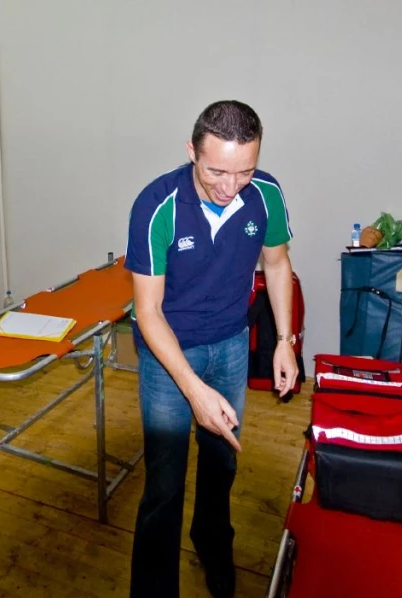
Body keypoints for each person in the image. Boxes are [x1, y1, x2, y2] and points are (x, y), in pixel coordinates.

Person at [125, 100, 298, 598]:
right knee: (164, 481)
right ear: (191, 152)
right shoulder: (155, 206)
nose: (229, 186)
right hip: (169, 355)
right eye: (217, 170)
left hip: (230, 344)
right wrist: (193, 390)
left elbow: (279, 264)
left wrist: (285, 342)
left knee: (222, 462)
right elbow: (148, 312)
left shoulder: (264, 193)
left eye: (244, 171)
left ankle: (213, 545)